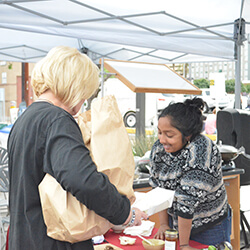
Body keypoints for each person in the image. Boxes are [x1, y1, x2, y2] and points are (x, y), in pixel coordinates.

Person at [7, 46, 147, 250]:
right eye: (84, 94)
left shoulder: (25, 119)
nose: (82, 103)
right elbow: (84, 180)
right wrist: (125, 212)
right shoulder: (57, 120)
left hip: (26, 236)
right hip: (55, 241)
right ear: (74, 86)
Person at [149, 97, 231, 249]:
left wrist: (185, 244)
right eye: (159, 132)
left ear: (187, 135)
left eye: (169, 135)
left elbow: (187, 202)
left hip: (210, 225)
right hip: (179, 223)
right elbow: (159, 191)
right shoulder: (159, 150)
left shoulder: (201, 150)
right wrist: (164, 225)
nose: (162, 139)